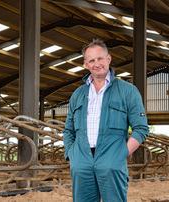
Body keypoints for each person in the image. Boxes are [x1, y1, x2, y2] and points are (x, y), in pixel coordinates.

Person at [63, 38, 149, 202]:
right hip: (82, 161)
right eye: (92, 60)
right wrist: (71, 155)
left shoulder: (127, 91)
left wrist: (121, 154)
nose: (97, 64)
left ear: (108, 59)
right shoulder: (78, 94)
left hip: (112, 159)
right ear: (86, 64)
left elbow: (141, 128)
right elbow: (68, 130)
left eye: (100, 58)